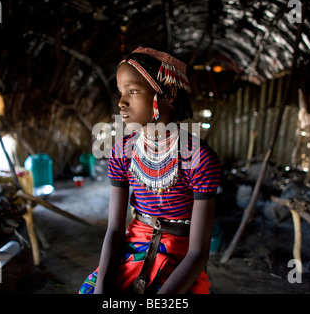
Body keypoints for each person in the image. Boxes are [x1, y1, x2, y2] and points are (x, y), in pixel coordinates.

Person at [79, 47, 221, 294]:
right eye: (121, 93)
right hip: (132, 249)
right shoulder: (122, 152)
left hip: (180, 258)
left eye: (133, 92)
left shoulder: (199, 158)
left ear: (168, 93)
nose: (121, 102)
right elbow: (114, 229)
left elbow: (198, 252)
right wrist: (101, 288)